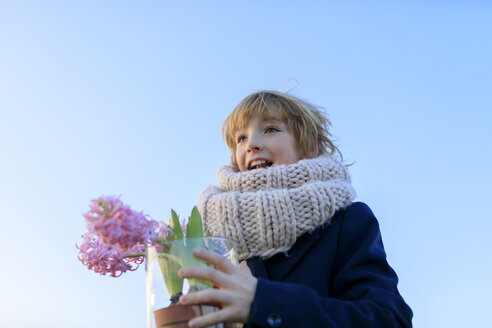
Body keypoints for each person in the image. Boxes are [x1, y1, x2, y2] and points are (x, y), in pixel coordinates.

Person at [178, 90, 413, 328]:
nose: (252, 145)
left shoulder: (348, 220)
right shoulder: (213, 237)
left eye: (270, 129)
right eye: (241, 138)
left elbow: (389, 320)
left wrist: (264, 302)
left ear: (309, 146)